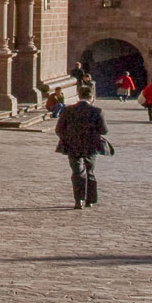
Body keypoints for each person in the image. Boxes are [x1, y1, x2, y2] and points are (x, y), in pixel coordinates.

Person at [55, 80, 107, 210]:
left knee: (77, 172)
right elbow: (104, 130)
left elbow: (59, 129)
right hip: (91, 147)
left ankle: (79, 200)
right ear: (92, 97)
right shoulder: (97, 111)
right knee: (89, 171)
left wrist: (68, 138)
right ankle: (90, 200)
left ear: (79, 96)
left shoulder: (68, 110)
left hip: (73, 146)